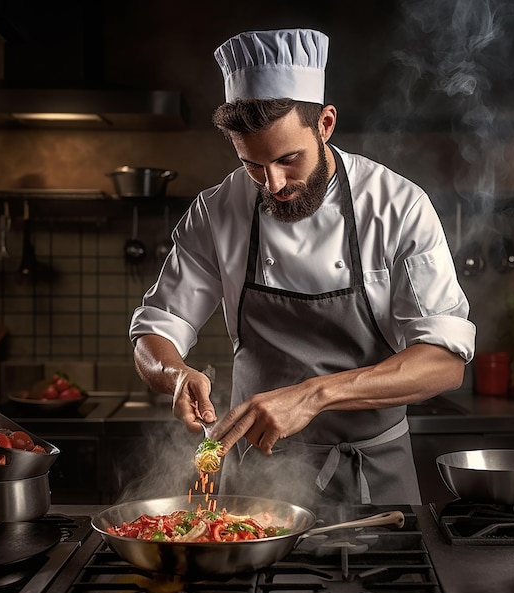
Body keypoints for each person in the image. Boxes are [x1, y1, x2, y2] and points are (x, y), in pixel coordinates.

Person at [129, 28, 476, 507]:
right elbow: (156, 329)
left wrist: (314, 395)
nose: (273, 184)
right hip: (257, 481)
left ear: (326, 124)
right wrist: (174, 375)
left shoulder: (398, 206)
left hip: (372, 476)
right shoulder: (218, 210)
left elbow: (444, 362)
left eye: (288, 158)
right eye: (253, 165)